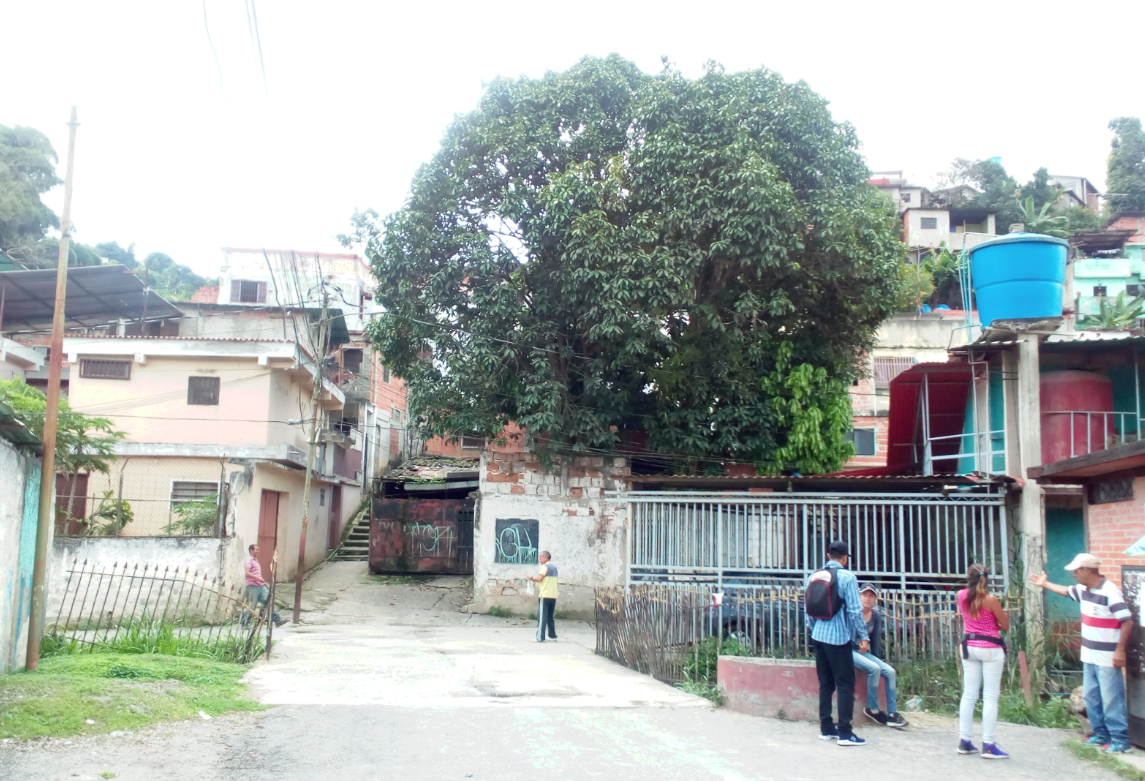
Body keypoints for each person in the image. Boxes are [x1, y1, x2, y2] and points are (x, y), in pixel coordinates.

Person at [1030, 553, 1133, 754]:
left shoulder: (1110, 592)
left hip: (1107, 657)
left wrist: (1119, 650)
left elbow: (1127, 620)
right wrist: (1045, 583)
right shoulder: (1085, 590)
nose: (1074, 575)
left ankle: (1120, 740)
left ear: (1086, 570)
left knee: (1111, 697)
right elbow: (1066, 591)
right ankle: (1101, 734)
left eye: (1076, 571)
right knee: (1092, 696)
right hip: (1090, 655)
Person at [805, 540, 869, 746]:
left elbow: (808, 608)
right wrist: (863, 636)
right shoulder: (847, 577)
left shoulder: (814, 575)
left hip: (818, 636)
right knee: (845, 684)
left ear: (827, 555)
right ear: (844, 558)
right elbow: (853, 611)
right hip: (838, 638)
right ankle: (845, 733)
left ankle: (826, 728)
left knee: (826, 683)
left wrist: (812, 629)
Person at [957, 563, 1010, 759]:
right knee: (990, 696)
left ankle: (965, 741)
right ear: (985, 579)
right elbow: (1004, 624)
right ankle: (988, 744)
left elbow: (968, 617)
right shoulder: (991, 599)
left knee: (969, 694)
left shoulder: (960, 596)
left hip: (969, 646)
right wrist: (994, 622)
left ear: (967, 578)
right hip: (991, 649)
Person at [853, 584, 908, 728]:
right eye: (865, 595)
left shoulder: (875, 615)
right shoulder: (853, 613)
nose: (867, 598)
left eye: (871, 596)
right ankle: (872, 708)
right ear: (859, 597)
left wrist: (877, 658)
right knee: (874, 669)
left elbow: (875, 639)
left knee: (889, 671)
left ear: (875, 599)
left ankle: (892, 714)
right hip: (849, 651)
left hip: (865, 653)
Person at [244, 544, 287, 628]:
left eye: (258, 549)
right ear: (251, 550)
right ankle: (245, 622)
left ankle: (277, 620)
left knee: (269, 601)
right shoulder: (249, 560)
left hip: (260, 586)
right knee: (252, 606)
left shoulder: (255, 560)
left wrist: (263, 582)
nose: (258, 551)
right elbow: (247, 573)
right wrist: (258, 579)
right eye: (256, 549)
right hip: (253, 587)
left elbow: (257, 574)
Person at [528, 550, 558, 643]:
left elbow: (539, 578)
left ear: (545, 558)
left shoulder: (544, 567)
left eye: (540, 558)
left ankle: (540, 637)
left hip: (544, 595)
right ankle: (552, 636)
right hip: (553, 595)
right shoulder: (554, 567)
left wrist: (531, 578)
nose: (539, 560)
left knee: (542, 617)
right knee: (550, 616)